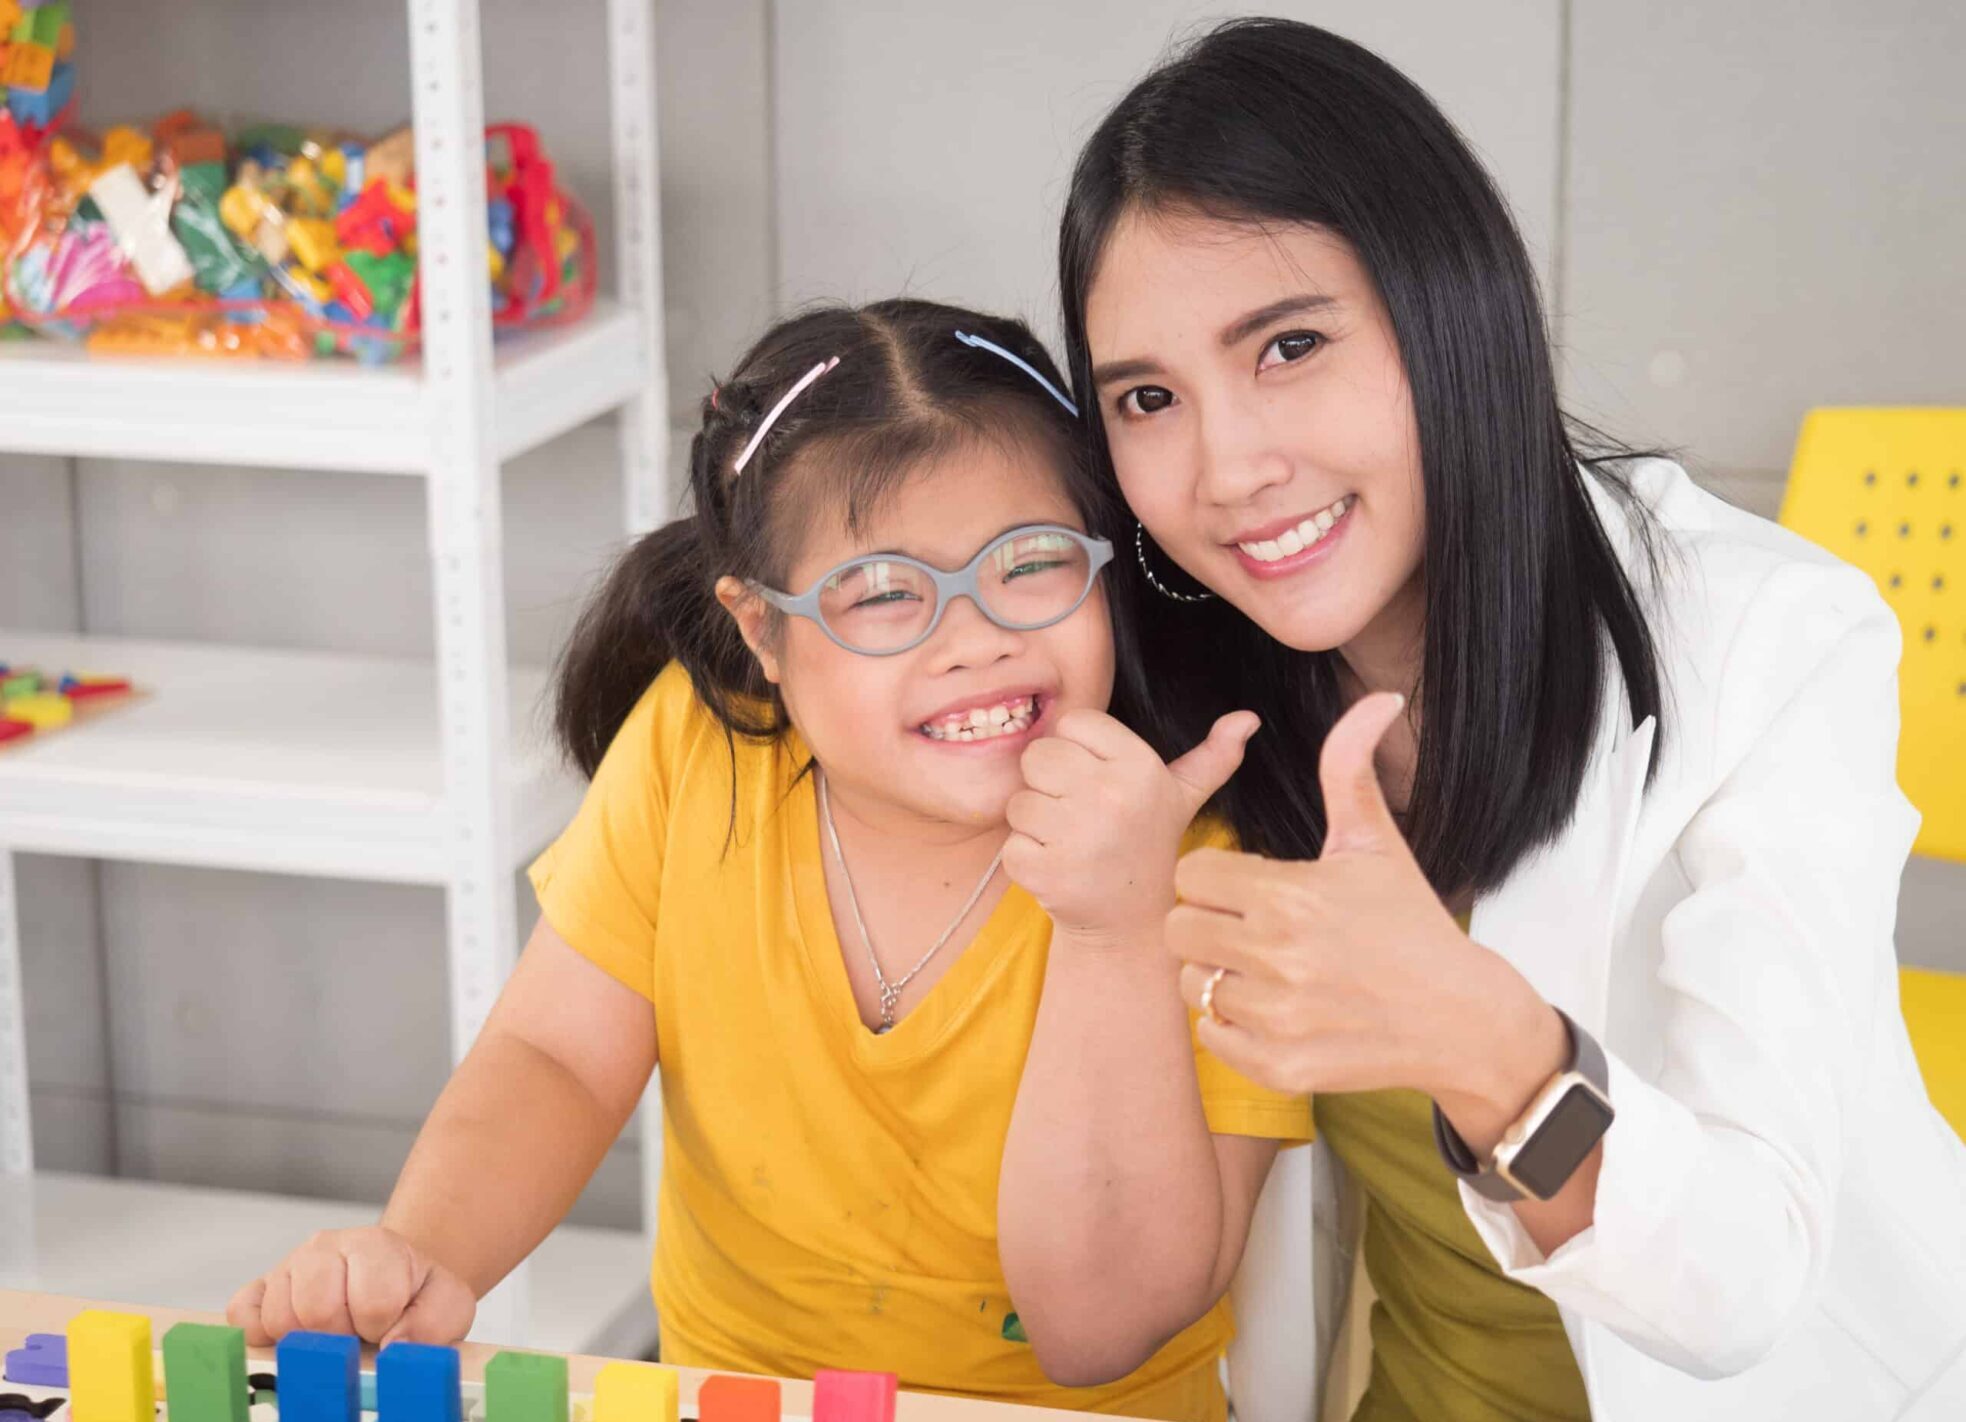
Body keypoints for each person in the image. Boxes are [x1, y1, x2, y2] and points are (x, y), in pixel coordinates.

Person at [1052, 17, 1966, 1420]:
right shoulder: (1189, 697)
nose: (1225, 467)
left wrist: (1481, 1041)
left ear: (1448, 308)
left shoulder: (1765, 638)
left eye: (1288, 345)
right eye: (1147, 397)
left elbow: (1740, 1288)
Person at [228, 298, 1313, 1422]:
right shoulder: (698, 750)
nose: (975, 639)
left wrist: (1112, 927)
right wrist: (422, 1251)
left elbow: (1098, 1334)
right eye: (883, 593)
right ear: (761, 631)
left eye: (1031, 563)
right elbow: (558, 1057)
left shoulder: (1206, 850)